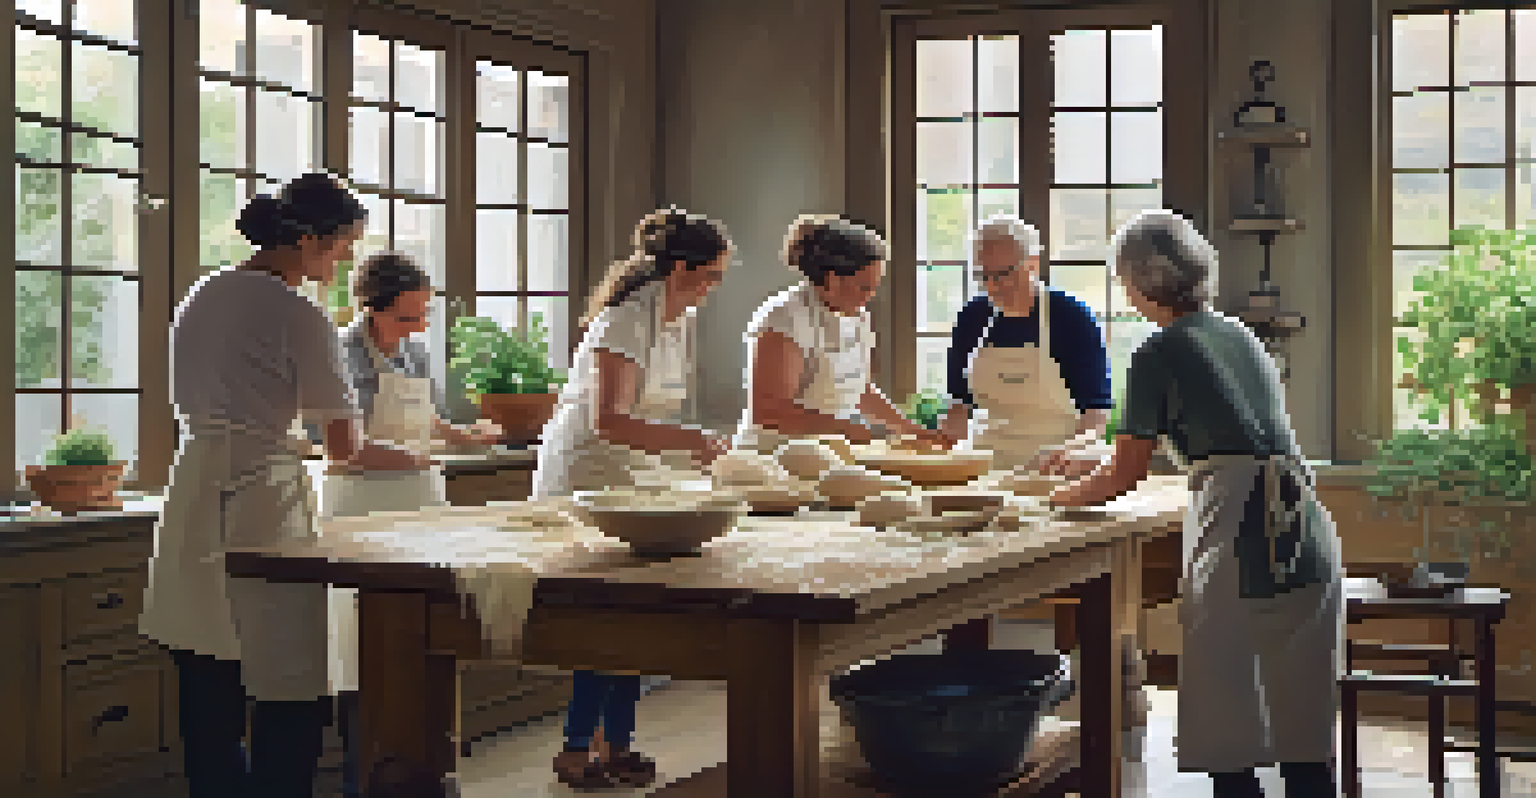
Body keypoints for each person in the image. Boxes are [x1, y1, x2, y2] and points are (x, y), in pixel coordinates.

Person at [139, 173, 427, 798]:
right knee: (287, 685)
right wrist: (417, 462)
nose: (347, 257)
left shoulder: (204, 292)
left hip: (192, 487)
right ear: (307, 240)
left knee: (206, 681)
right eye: (343, 244)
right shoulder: (301, 314)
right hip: (260, 498)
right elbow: (344, 448)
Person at [1047, 210, 1342, 798]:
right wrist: (1097, 466)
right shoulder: (1236, 334)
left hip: (1241, 528)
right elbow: (1218, 438)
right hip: (1304, 523)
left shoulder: (1158, 351)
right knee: (1301, 714)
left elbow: (1127, 472)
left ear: (1138, 281)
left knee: (1227, 706)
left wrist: (1059, 498)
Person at [533, 206, 733, 790]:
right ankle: (576, 751)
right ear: (680, 268)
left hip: (635, 477)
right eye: (711, 275)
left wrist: (681, 453)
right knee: (600, 626)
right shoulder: (624, 320)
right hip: (587, 475)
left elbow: (649, 418)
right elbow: (610, 421)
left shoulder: (677, 319)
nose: (714, 287)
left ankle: (617, 744)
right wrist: (689, 442)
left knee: (632, 621)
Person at [320, 251, 503, 798]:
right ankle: (365, 768)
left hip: (417, 500)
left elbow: (421, 420)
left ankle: (423, 766)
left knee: (424, 630)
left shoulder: (416, 353)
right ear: (369, 309)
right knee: (358, 642)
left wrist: (461, 438)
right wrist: (418, 458)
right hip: (359, 504)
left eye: (424, 314)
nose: (419, 326)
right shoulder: (340, 354)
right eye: (406, 316)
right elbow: (339, 447)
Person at [736, 214, 945, 454]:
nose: (871, 295)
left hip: (826, 453)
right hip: (772, 456)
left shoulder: (859, 317)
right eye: (864, 287)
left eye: (875, 286)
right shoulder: (784, 319)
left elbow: (860, 390)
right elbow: (769, 411)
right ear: (831, 279)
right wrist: (843, 428)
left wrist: (908, 428)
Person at [936, 214, 1112, 475]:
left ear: (1031, 263)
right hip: (986, 460)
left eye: (1004, 274)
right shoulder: (972, 318)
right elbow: (959, 404)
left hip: (1057, 462)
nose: (993, 286)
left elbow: (1096, 413)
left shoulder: (1071, 317)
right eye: (983, 276)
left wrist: (1071, 450)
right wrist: (943, 445)